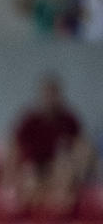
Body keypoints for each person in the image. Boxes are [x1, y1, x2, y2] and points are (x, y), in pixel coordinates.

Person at [7, 74, 93, 213]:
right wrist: (10, 176)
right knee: (30, 180)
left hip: (58, 168)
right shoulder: (30, 121)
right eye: (47, 95)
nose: (50, 99)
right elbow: (14, 148)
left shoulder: (68, 120)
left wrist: (79, 168)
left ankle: (61, 214)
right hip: (34, 168)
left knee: (66, 173)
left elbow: (82, 146)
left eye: (54, 94)